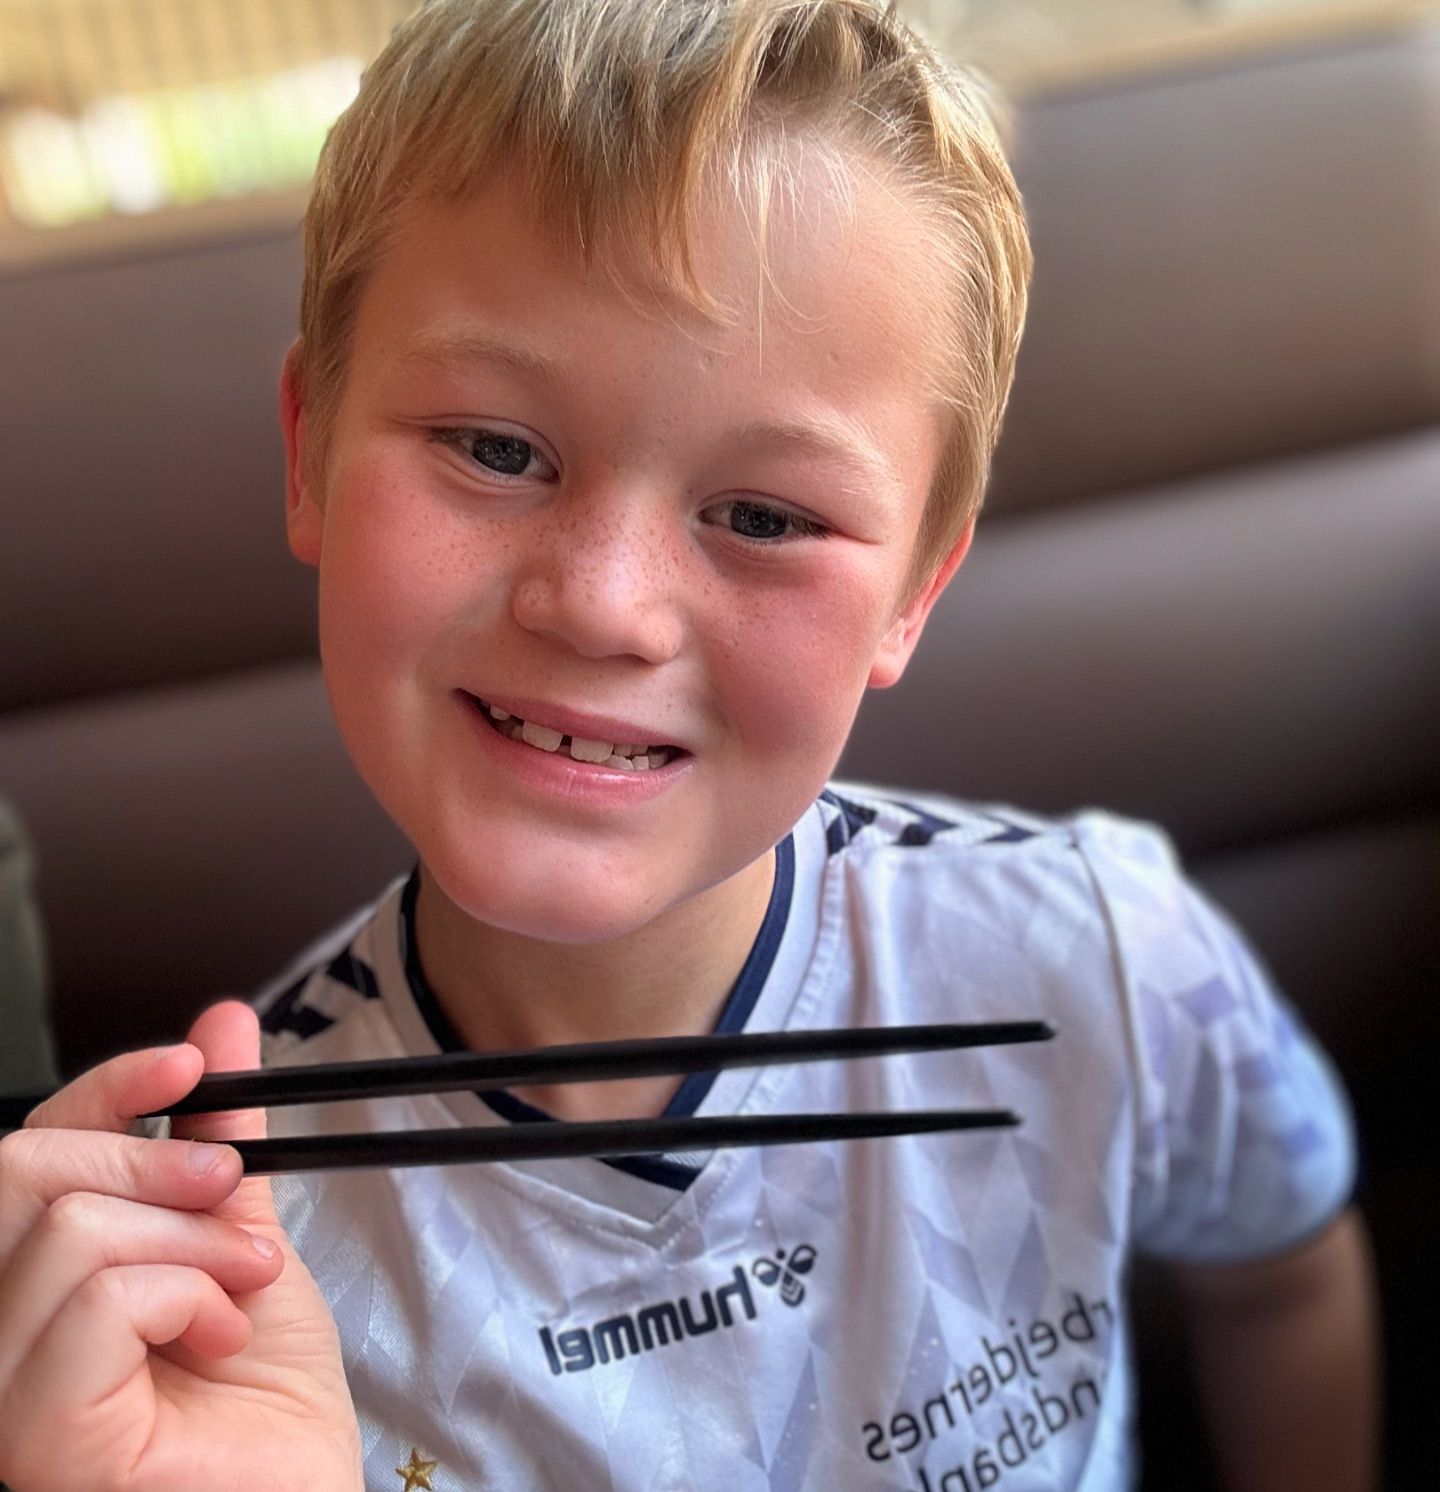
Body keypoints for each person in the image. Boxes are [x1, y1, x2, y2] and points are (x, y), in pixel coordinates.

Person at [0, 2, 1380, 1489]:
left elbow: (1284, 1278)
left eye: (767, 517)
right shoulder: (229, 1259)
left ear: (914, 593)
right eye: (495, 449)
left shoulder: (1102, 959)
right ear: (309, 453)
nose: (602, 606)